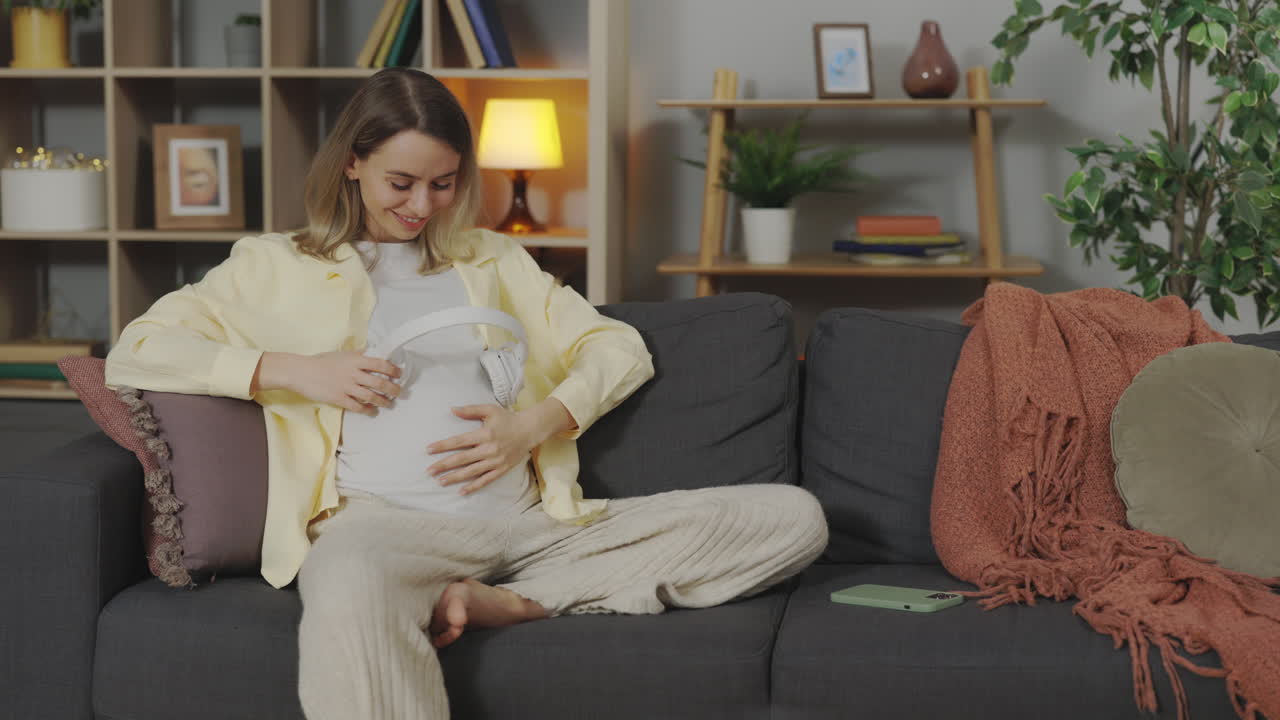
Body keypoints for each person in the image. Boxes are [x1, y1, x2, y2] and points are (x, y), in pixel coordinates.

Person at [105, 67, 828, 720]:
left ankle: (508, 604)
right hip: (382, 530)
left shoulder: (493, 258)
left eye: (444, 182)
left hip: (533, 530)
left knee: (793, 518)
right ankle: (476, 596)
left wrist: (533, 425)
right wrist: (292, 369)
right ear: (353, 162)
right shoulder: (274, 266)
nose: (423, 204)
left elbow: (618, 346)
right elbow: (137, 350)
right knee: (345, 580)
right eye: (402, 182)